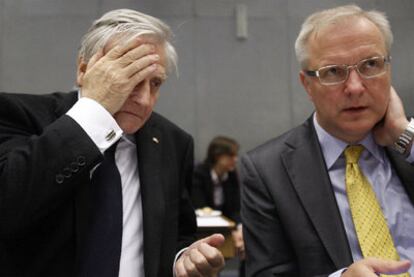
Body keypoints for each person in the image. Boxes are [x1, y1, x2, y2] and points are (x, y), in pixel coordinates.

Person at [0, 9, 224, 277]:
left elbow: (177, 233)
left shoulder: (173, 142)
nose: (144, 99)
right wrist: (95, 111)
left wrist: (182, 259)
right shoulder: (18, 114)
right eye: (128, 76)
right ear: (84, 70)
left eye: (154, 83)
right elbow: (9, 205)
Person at [241, 4, 414, 277]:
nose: (355, 87)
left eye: (370, 64)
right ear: (307, 84)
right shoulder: (267, 170)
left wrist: (405, 136)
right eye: (333, 71)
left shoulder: (409, 145)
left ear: (388, 68)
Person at [191, 136, 245, 274]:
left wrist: (238, 228)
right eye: (231, 155)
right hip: (202, 226)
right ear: (218, 156)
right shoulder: (198, 173)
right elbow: (200, 207)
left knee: (245, 239)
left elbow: (235, 208)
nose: (236, 159)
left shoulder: (231, 175)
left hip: (226, 224)